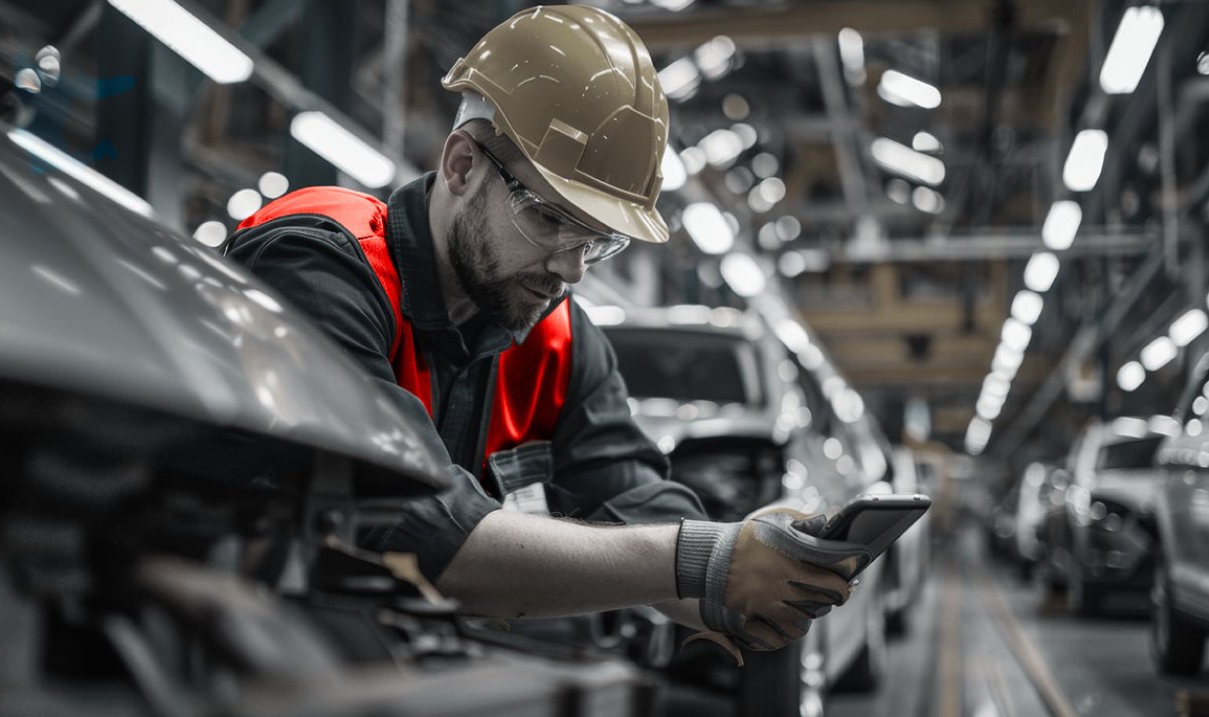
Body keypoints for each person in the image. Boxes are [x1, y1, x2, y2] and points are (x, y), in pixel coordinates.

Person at [226, 4, 864, 656]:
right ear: (462, 165)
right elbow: (421, 531)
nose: (571, 267)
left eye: (598, 241)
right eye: (550, 218)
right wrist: (703, 558)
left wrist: (739, 578)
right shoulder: (317, 265)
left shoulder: (555, 335)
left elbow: (638, 499)